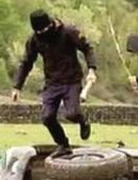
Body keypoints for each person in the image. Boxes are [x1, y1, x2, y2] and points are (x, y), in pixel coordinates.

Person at [12, 9, 96, 158]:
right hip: (52, 83)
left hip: (72, 80)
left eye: (44, 29)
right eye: (38, 31)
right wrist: (17, 86)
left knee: (72, 113)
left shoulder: (68, 32)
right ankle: (63, 144)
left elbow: (87, 48)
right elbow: (26, 63)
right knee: (47, 117)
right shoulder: (35, 39)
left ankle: (83, 121)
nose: (42, 33)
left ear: (50, 24)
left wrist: (91, 69)